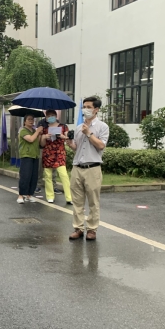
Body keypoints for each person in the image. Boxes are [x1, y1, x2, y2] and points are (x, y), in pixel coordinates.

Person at [65, 96, 109, 241]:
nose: (85, 110)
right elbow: (77, 148)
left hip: (93, 168)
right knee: (77, 201)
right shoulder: (79, 127)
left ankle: (92, 229)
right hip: (77, 167)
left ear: (96, 109)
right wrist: (70, 143)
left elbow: (101, 146)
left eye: (89, 107)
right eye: (84, 107)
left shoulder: (102, 127)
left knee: (93, 201)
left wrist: (88, 133)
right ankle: (78, 228)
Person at [39, 110, 73, 205]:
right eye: (48, 115)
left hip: (59, 153)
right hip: (48, 153)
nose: (51, 117)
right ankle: (50, 196)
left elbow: (68, 139)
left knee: (64, 175)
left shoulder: (63, 126)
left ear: (56, 116)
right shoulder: (44, 128)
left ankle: (69, 197)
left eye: (52, 115)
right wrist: (44, 137)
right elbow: (42, 144)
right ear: (46, 117)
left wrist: (62, 136)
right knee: (48, 176)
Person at [17, 115, 43, 204]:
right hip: (26, 155)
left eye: (32, 119)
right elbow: (30, 139)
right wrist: (38, 131)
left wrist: (40, 134)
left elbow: (39, 142)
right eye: (29, 119)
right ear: (24, 121)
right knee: (25, 176)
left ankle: (30, 194)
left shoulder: (34, 131)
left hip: (35, 155)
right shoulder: (23, 130)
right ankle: (21, 195)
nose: (31, 121)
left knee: (34, 176)